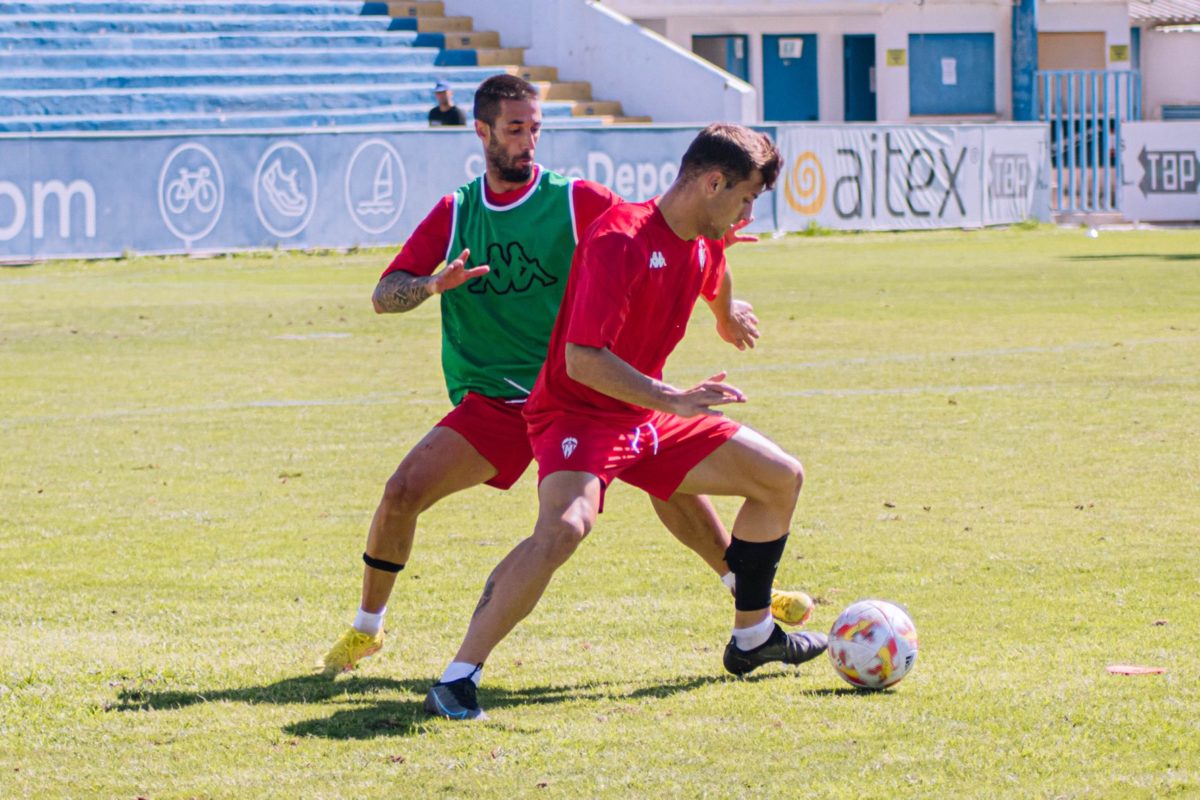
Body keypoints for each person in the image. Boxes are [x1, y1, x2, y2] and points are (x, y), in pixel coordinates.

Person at [321, 76, 812, 676]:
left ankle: (747, 597)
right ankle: (367, 629)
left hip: (596, 391)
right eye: (514, 129)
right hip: (503, 401)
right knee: (403, 492)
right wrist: (431, 285)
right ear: (481, 132)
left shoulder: (578, 201)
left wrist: (724, 308)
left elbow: (677, 234)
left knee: (671, 478)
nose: (528, 142)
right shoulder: (457, 213)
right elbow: (383, 296)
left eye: (535, 128)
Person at [424, 123, 828, 720]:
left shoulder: (704, 237)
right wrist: (671, 398)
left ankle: (752, 638)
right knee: (563, 528)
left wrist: (724, 316)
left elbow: (715, 275)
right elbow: (580, 359)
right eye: (744, 197)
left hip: (647, 411)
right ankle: (457, 679)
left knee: (780, 477)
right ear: (712, 181)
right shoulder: (620, 238)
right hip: (579, 412)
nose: (747, 211)